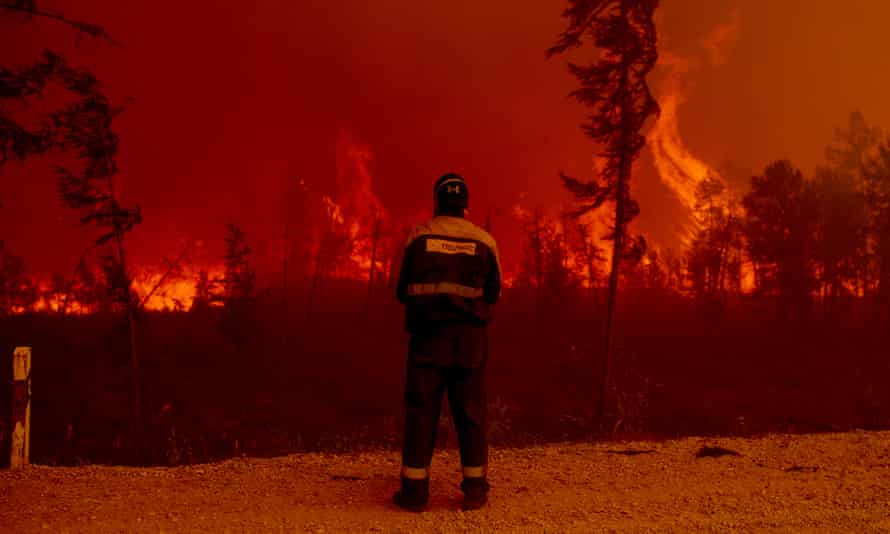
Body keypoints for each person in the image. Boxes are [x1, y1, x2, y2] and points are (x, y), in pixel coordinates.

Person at [392, 172, 501, 512]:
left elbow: (400, 291)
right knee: (471, 414)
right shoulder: (484, 241)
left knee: (421, 412)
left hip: (428, 340)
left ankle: (414, 494)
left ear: (437, 202)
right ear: (465, 205)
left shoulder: (418, 237)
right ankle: (474, 491)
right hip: (469, 342)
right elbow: (494, 293)